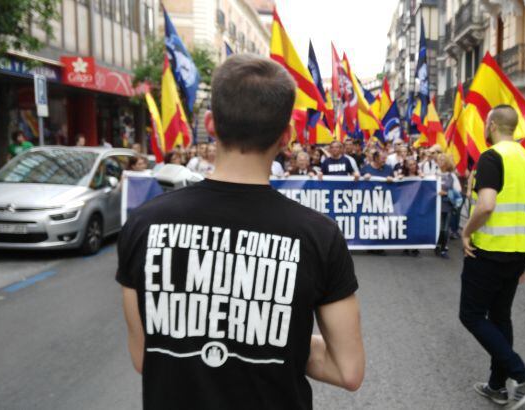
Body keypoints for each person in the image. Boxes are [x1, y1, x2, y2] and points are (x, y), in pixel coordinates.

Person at [117, 54, 364, 410]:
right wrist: (273, 337)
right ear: (287, 136)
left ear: (211, 124)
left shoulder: (143, 224)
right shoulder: (319, 236)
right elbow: (348, 369)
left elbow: (145, 357)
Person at [460, 105, 525, 409]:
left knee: (470, 315)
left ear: (493, 124)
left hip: (489, 250)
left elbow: (486, 205)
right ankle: (497, 386)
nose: (483, 127)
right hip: (519, 251)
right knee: (500, 316)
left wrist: (466, 232)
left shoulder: (492, 157)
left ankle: (522, 375)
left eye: (485, 122)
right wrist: (523, 259)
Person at [436, 154, 462, 259]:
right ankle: (436, 245)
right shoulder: (434, 174)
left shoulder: (452, 176)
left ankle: (442, 248)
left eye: (443, 159)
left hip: (446, 206)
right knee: (436, 227)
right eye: (439, 159)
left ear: (447, 162)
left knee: (444, 228)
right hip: (435, 206)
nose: (441, 161)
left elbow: (458, 190)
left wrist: (446, 193)